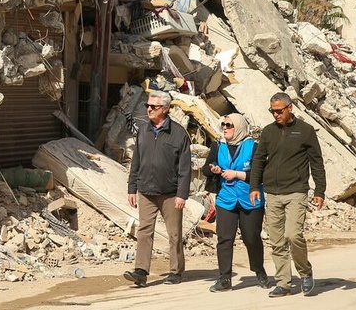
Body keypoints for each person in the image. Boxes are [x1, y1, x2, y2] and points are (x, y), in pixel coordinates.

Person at [249, 92, 326, 298]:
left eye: (279, 110)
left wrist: (319, 191)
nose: (275, 115)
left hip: (296, 191)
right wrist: (254, 186)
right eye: (272, 111)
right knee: (277, 240)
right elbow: (258, 160)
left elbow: (317, 162)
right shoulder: (268, 132)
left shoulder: (306, 131)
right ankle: (283, 283)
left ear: (290, 108)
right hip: (272, 193)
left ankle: (305, 272)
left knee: (293, 234)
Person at [123, 90, 191, 287]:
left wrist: (182, 194)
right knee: (144, 231)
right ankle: (141, 272)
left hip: (170, 193)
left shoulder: (178, 134)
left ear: (165, 109)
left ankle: (176, 271)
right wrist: (131, 188)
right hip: (146, 190)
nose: (149, 109)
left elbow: (185, 168)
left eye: (154, 106)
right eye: (147, 106)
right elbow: (136, 161)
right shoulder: (143, 131)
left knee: (174, 233)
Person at [202, 113, 269, 292]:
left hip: (250, 199)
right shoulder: (218, 145)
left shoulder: (253, 147)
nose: (225, 127)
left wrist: (237, 174)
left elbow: (261, 174)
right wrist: (214, 169)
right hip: (226, 199)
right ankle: (224, 278)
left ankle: (259, 270)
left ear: (238, 127)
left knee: (251, 237)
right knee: (224, 238)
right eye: (223, 124)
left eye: (229, 125)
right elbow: (205, 170)